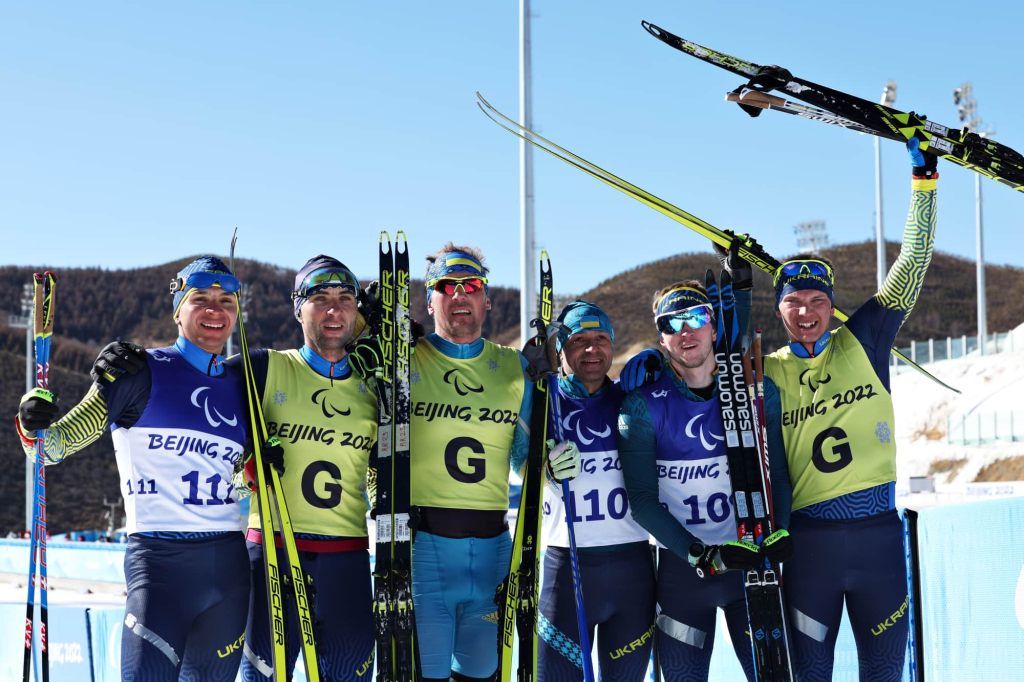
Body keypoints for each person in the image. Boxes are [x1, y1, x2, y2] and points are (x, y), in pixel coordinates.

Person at [16, 256, 249, 681]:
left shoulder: (245, 385)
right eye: (200, 299)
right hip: (159, 568)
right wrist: (33, 424)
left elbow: (250, 474)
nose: (215, 311)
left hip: (228, 571)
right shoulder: (137, 371)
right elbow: (55, 445)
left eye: (226, 301)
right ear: (177, 309)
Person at [758, 139, 939, 680]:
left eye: (817, 301)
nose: (807, 311)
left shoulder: (863, 342)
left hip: (879, 542)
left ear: (831, 306)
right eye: (794, 301)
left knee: (884, 674)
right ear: (779, 308)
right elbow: (698, 369)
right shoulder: (766, 370)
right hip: (809, 548)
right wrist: (652, 360)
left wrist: (924, 183)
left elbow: (913, 265)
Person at [398, 243, 580, 682]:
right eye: (447, 286)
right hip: (424, 554)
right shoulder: (405, 358)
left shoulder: (514, 366)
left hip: (495, 554)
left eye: (472, 285)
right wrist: (376, 328)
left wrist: (550, 463)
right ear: (430, 299)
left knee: (483, 675)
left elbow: (524, 457)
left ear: (487, 298)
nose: (460, 295)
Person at [617, 270, 792, 681]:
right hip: (686, 572)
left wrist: (780, 529)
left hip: (752, 564)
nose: (685, 332)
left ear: (714, 324)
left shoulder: (757, 390)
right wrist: (700, 554)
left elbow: (778, 475)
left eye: (695, 317)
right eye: (670, 325)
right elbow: (641, 501)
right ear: (661, 339)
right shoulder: (642, 407)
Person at [236, 255, 378, 681]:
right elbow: (216, 458)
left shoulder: (375, 386)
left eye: (345, 298)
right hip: (272, 558)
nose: (334, 310)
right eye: (320, 298)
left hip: (346, 564)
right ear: (297, 307)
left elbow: (379, 473)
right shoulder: (263, 368)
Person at [537, 301, 656, 682]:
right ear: (561, 350)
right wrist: (545, 466)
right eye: (580, 340)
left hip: (632, 570)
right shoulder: (543, 400)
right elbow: (517, 460)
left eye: (601, 339)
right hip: (566, 573)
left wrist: (659, 361)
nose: (592, 349)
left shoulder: (633, 399)